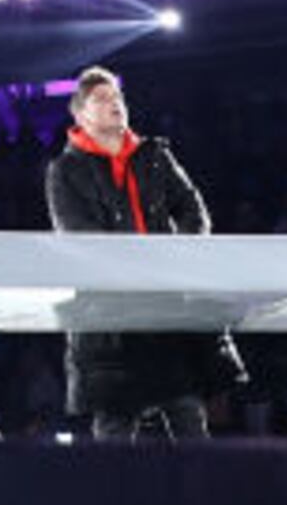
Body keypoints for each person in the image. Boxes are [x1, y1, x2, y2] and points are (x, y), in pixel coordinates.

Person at [43, 65, 242, 440]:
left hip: (166, 302)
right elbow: (78, 236)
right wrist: (137, 268)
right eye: (101, 99)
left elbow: (191, 207)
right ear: (80, 114)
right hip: (111, 314)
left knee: (187, 414)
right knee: (116, 425)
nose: (114, 103)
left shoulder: (154, 154)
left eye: (117, 96)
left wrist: (179, 253)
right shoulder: (64, 170)